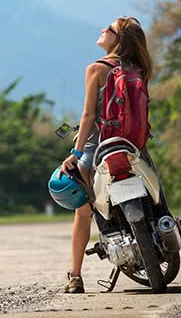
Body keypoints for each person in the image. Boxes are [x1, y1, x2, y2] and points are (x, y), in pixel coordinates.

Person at [59, 16, 153, 293]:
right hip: (133, 145)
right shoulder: (139, 69)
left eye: (108, 29)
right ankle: (164, 223)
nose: (102, 30)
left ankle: (75, 276)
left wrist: (75, 153)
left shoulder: (96, 69)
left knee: (83, 211)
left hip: (98, 147)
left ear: (118, 39)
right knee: (155, 191)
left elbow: (88, 115)